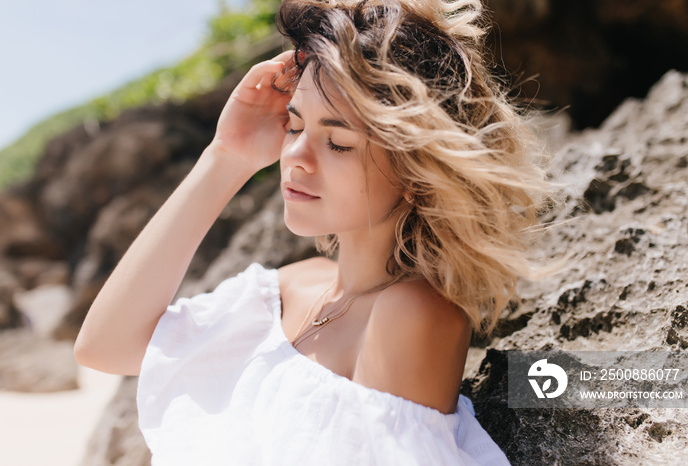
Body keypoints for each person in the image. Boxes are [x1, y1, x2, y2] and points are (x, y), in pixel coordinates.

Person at [75, 0, 554, 464]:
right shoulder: (288, 286)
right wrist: (227, 156)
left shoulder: (413, 315)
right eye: (294, 125)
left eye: (339, 143)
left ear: (417, 168)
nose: (296, 157)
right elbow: (104, 346)